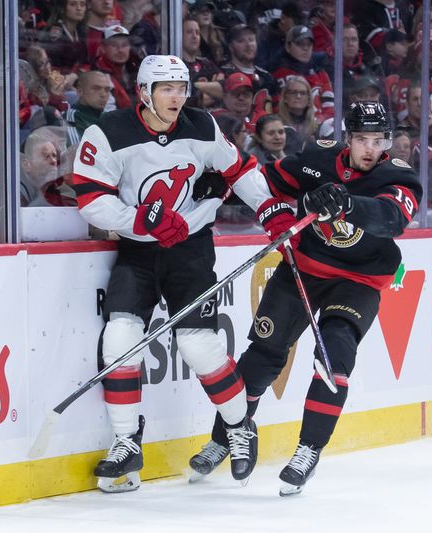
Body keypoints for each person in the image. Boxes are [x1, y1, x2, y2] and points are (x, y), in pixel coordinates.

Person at [72, 55, 297, 493]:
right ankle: (125, 443)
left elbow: (240, 169)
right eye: (167, 88)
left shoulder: (202, 125)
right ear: (144, 92)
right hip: (139, 250)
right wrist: (142, 222)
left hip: (190, 248)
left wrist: (269, 208)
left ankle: (239, 427)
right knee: (120, 337)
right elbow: (90, 196)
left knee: (198, 345)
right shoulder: (108, 132)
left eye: (182, 88)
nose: (178, 97)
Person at [189, 102, 422, 496]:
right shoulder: (318, 158)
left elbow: (392, 218)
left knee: (334, 355)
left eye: (378, 140)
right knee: (263, 353)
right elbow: (265, 180)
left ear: (388, 142)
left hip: (358, 281)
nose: (369, 148)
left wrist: (347, 203)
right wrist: (222, 187)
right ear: (348, 137)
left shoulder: (398, 176)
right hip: (304, 268)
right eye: (362, 139)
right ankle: (226, 437)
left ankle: (308, 450)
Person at [64, 70, 111, 146]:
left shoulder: (109, 118)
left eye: (107, 90)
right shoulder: (72, 118)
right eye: (96, 88)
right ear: (80, 91)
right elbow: (75, 153)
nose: (103, 94)